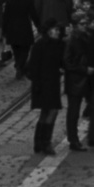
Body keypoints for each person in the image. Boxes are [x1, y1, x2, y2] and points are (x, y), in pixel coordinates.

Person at [64, 9, 94, 152]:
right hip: (77, 80)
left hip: (91, 79)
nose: (85, 26)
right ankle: (73, 140)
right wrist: (84, 69)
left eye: (86, 23)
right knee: (74, 111)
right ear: (75, 25)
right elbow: (67, 62)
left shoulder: (90, 36)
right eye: (82, 24)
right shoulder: (71, 40)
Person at [26, 18, 64, 155]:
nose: (58, 32)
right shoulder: (40, 45)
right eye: (55, 30)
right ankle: (45, 142)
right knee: (51, 111)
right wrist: (37, 82)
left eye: (58, 30)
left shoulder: (56, 44)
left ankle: (39, 142)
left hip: (51, 83)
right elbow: (31, 67)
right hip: (43, 84)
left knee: (46, 112)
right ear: (48, 31)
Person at [2, 0, 35, 79]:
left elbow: (5, 16)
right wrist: (39, 25)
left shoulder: (9, 0)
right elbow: (33, 14)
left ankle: (18, 64)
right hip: (24, 27)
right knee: (25, 48)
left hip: (12, 29)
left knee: (16, 49)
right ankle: (20, 65)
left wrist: (4, 30)